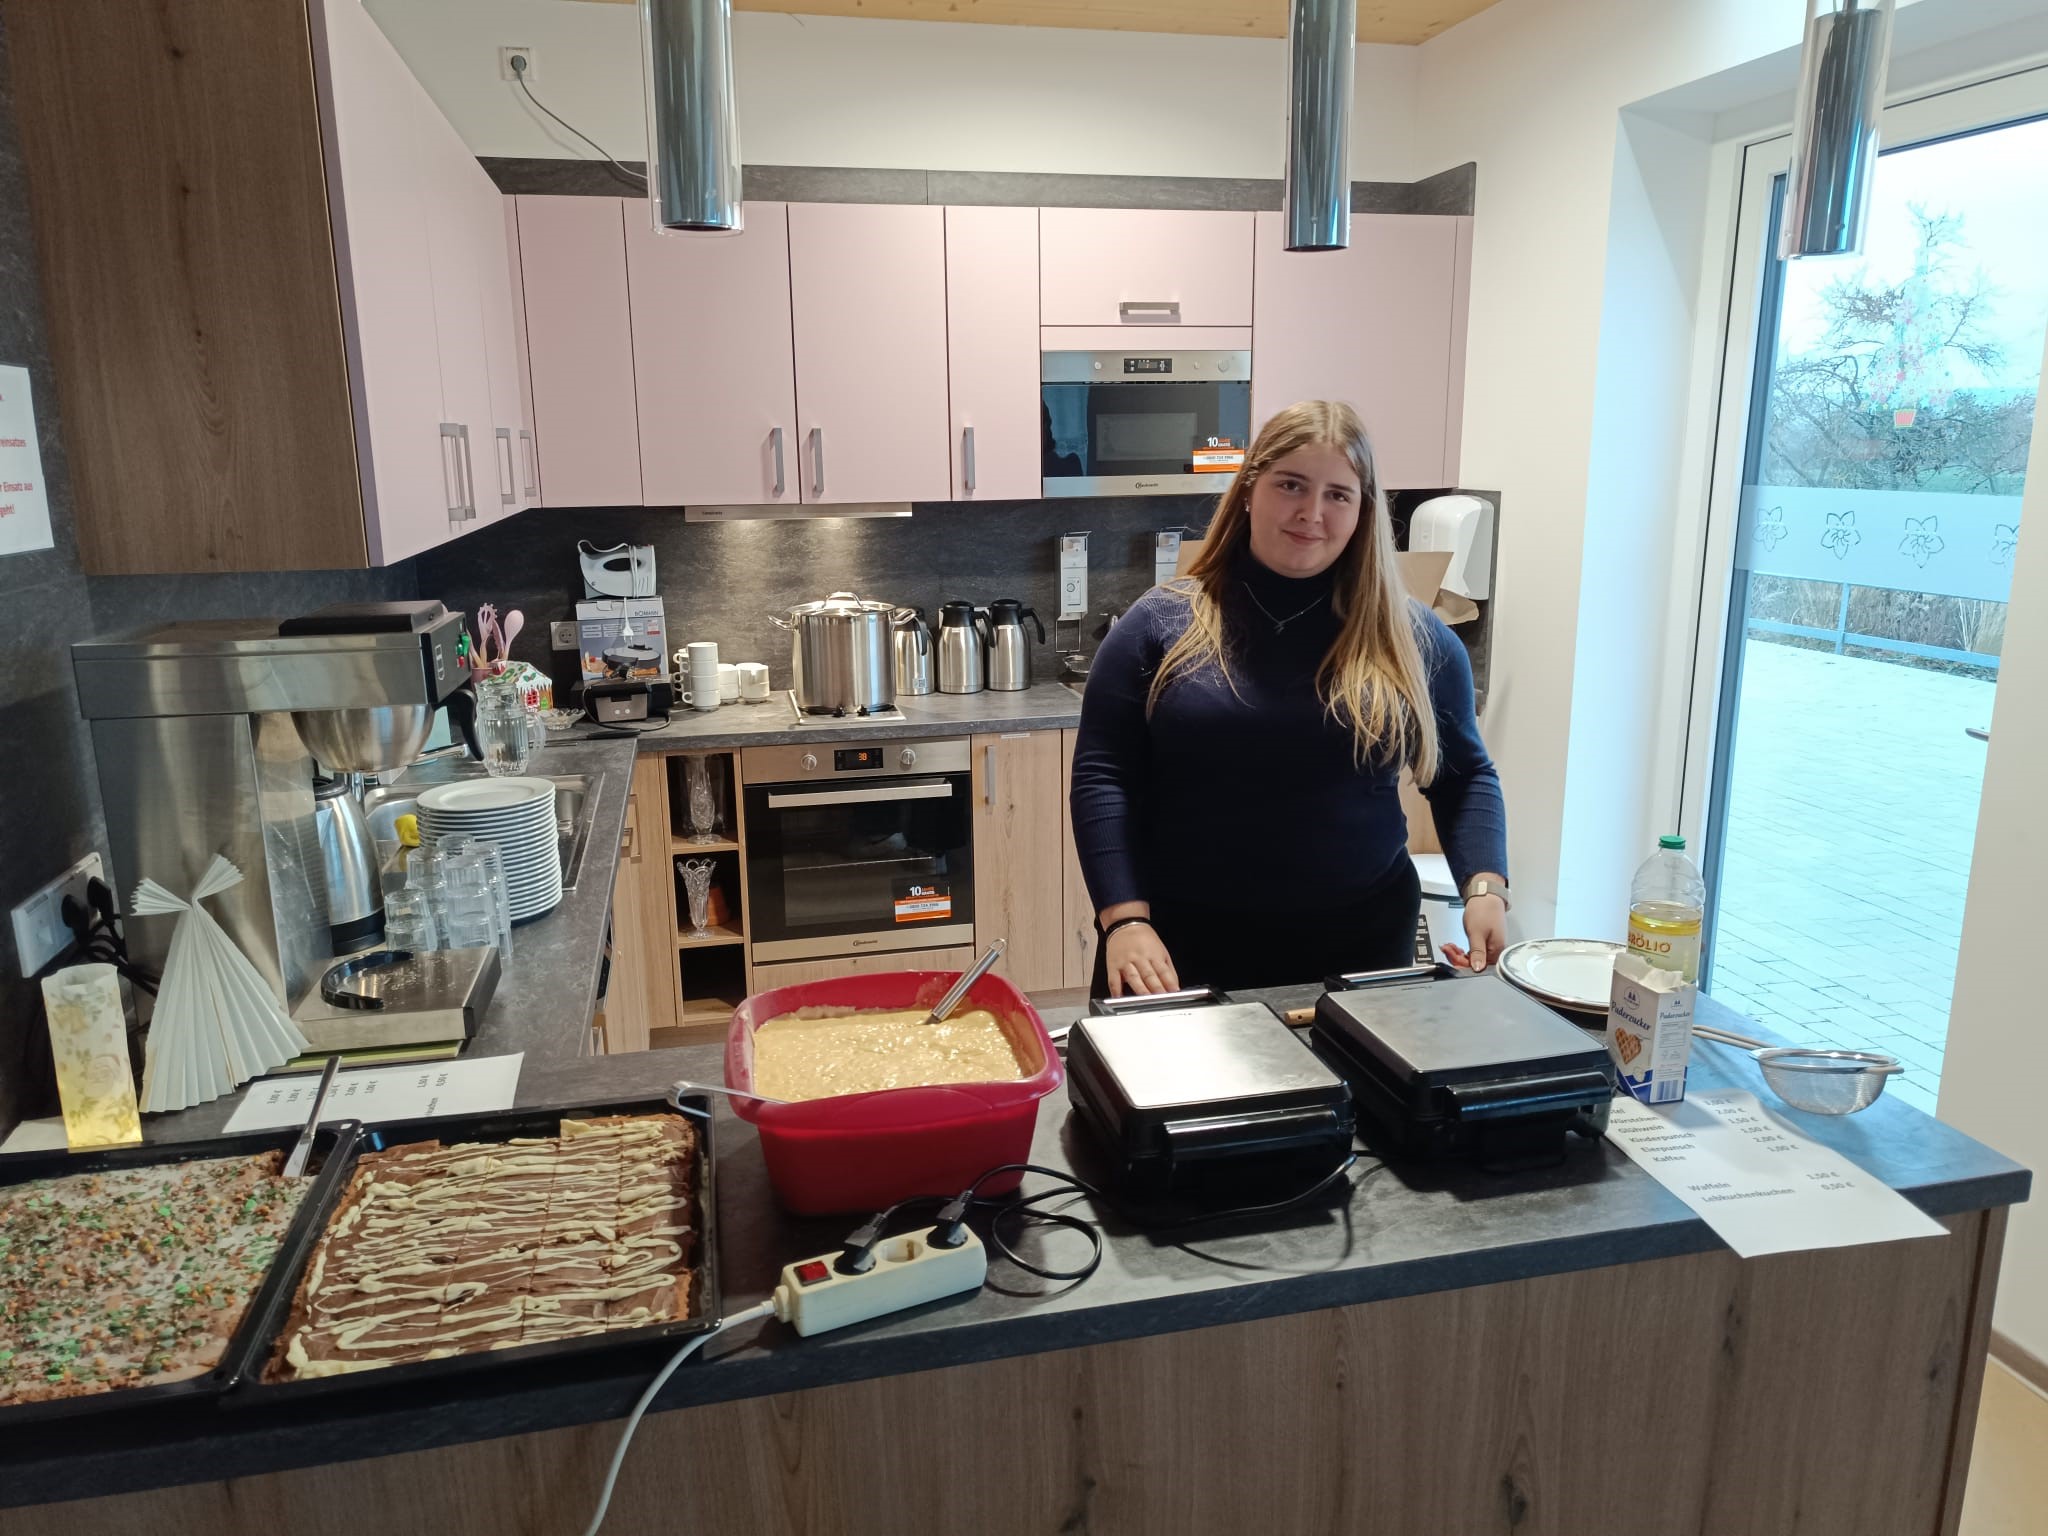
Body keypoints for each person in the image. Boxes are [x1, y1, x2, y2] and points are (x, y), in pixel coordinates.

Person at [1069, 400, 1509, 997]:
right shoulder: (1160, 624)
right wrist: (1124, 919)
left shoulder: (1413, 640)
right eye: (1291, 484)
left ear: (1363, 511)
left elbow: (1464, 776)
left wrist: (1484, 888)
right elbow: (1103, 776)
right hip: (1174, 948)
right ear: (1250, 490)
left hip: (1360, 948)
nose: (1311, 513)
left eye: (1338, 495)